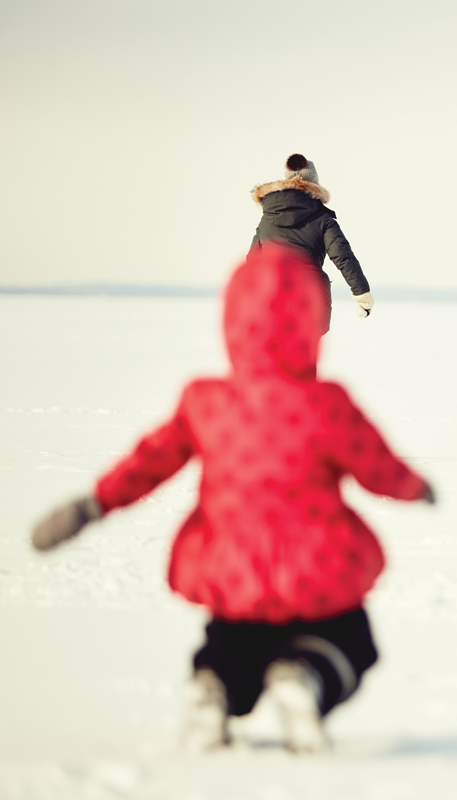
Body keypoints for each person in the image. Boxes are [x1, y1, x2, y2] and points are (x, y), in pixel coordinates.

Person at [29, 243, 434, 752]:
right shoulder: (324, 404)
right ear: (311, 324)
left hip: (232, 563)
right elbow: (373, 463)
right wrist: (414, 487)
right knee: (352, 640)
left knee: (233, 643)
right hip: (316, 563)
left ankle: (212, 689)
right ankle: (305, 674)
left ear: (232, 323)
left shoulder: (207, 402)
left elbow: (150, 461)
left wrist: (94, 505)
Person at [251, 154, 374, 332]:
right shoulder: (323, 219)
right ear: (314, 184)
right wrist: (362, 294)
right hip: (310, 297)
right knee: (306, 346)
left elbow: (252, 262)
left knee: (279, 345)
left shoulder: (266, 220)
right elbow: (343, 257)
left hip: (274, 298)